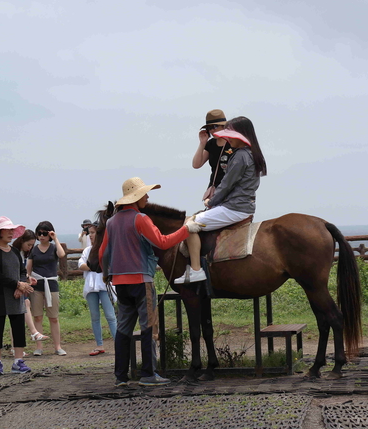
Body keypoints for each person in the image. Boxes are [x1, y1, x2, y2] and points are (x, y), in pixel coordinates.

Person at [99, 177, 202, 387]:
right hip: (142, 280)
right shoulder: (141, 219)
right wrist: (186, 230)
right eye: (145, 193)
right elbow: (162, 242)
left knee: (123, 328)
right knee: (148, 326)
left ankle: (121, 376)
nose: (147, 196)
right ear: (136, 197)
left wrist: (107, 273)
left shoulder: (111, 222)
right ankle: (148, 373)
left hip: (120, 283)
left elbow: (103, 253)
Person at [174, 116, 268, 284]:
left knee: (189, 225)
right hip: (244, 205)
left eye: (230, 135)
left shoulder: (240, 156)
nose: (227, 138)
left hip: (234, 207)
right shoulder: (252, 154)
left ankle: (196, 270)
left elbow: (226, 185)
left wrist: (211, 202)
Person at [0, 216, 34, 376]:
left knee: (19, 328)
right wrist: (17, 284)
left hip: (15, 297)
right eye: (8, 230)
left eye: (12, 230)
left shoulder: (14, 252)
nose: (11, 233)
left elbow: (21, 270)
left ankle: (18, 362)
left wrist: (21, 286)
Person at [27, 221, 67, 356]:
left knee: (53, 317)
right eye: (39, 233)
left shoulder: (54, 247)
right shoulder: (34, 249)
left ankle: (57, 346)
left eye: (45, 233)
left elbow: (61, 255)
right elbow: (28, 269)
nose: (42, 236)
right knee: (37, 317)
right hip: (37, 285)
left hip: (51, 285)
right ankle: (39, 347)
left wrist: (55, 238)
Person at [78, 223, 117, 356]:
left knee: (110, 316)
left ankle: (119, 344)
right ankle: (99, 345)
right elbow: (81, 264)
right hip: (90, 287)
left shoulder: (107, 249)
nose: (91, 235)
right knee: (95, 316)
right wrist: (94, 266)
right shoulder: (87, 250)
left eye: (93, 232)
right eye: (89, 233)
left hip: (104, 286)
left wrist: (93, 266)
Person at [11, 229, 49, 343]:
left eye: (32, 245)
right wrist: (19, 286)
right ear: (21, 241)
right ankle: (34, 332)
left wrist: (28, 277)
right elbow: (13, 271)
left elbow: (21, 271)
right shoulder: (14, 253)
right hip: (14, 285)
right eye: (28, 244)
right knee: (24, 306)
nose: (30, 248)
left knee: (18, 317)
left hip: (19, 284)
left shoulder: (22, 254)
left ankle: (16, 347)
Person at [192, 109, 233, 202]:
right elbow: (196, 165)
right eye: (209, 127)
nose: (212, 130)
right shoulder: (211, 144)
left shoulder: (234, 143)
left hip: (231, 190)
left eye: (215, 126)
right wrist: (202, 143)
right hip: (214, 190)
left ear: (224, 126)